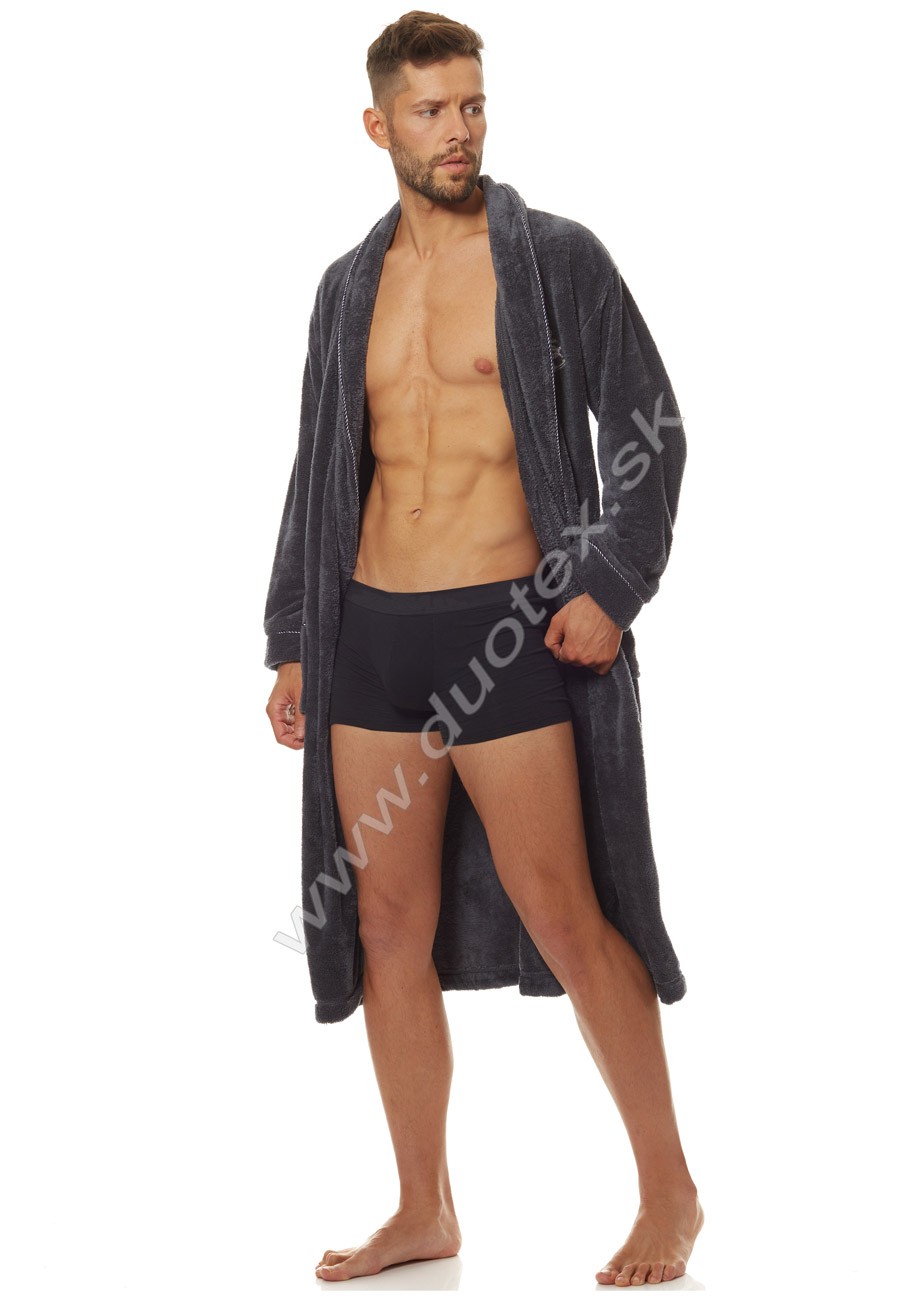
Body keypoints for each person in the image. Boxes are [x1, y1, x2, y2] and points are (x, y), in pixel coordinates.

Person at [263, 10, 703, 1288]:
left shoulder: (554, 259)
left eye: (470, 106)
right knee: (386, 925)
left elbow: (652, 429)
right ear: (377, 125)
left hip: (506, 631)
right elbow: (318, 470)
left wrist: (612, 583)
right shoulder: (346, 287)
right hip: (372, 635)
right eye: (429, 111)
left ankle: (670, 1192)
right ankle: (424, 1208)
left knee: (564, 911)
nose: (456, 131)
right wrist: (294, 637)